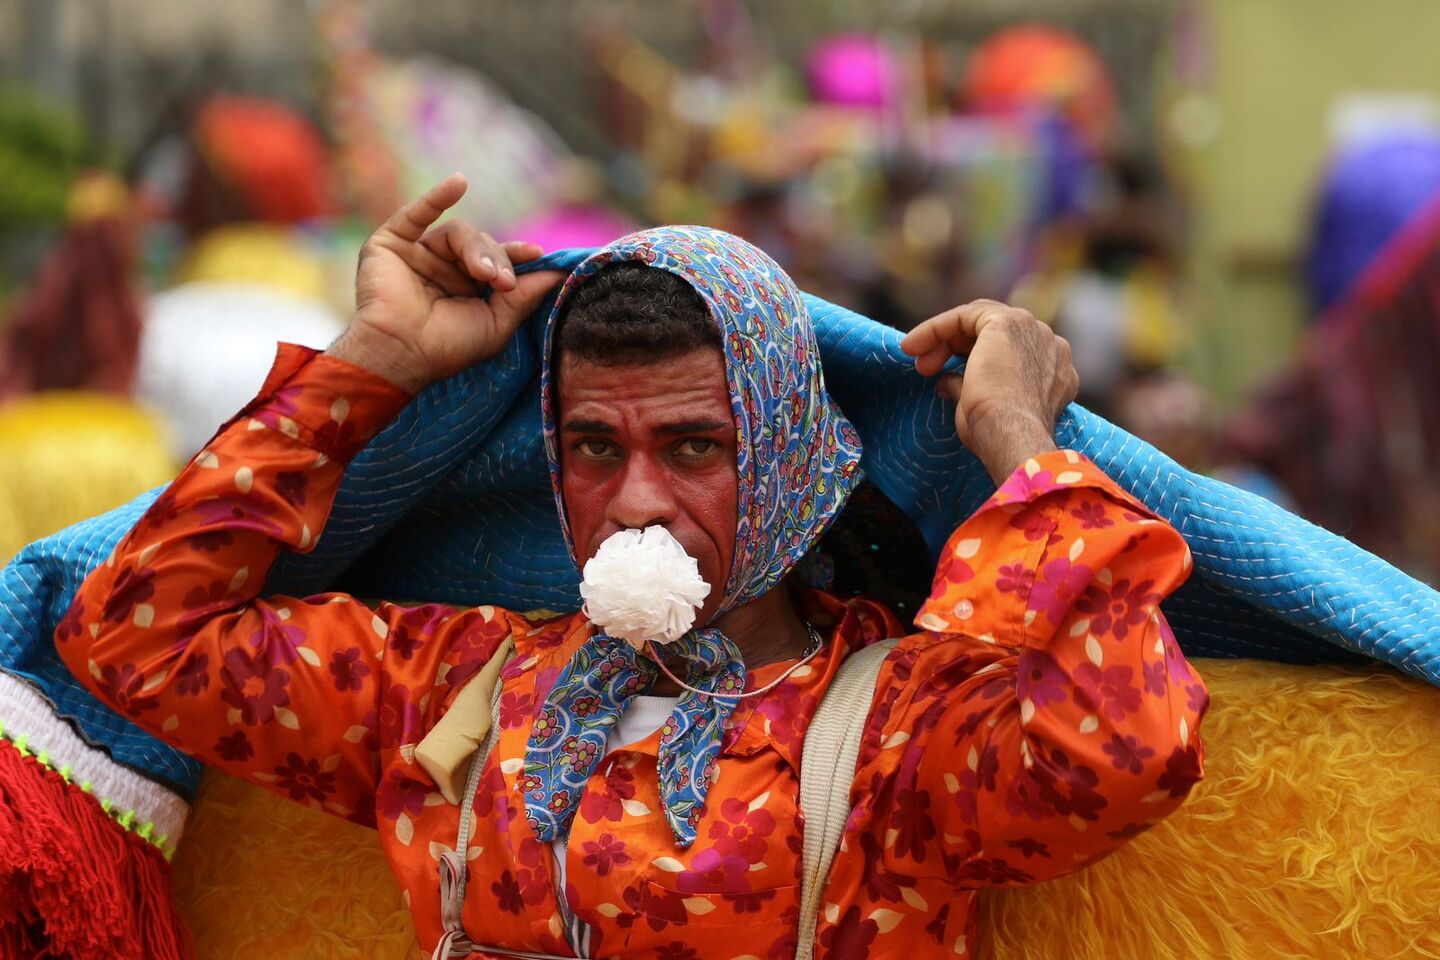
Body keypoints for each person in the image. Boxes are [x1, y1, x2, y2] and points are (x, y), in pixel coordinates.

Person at [57, 174, 1207, 959]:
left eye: (697, 447)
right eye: (594, 449)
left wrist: (1018, 439)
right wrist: (378, 362)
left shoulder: (897, 736)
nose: (635, 501)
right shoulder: (455, 685)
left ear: (794, 459)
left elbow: (1125, 746)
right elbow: (135, 635)